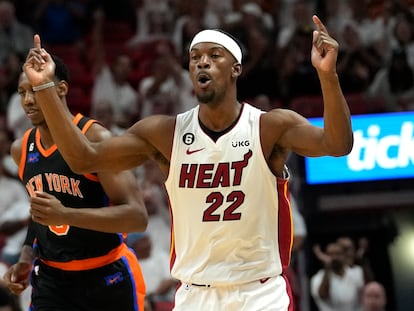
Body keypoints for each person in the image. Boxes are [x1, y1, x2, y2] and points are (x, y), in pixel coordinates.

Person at [22, 14, 353, 310]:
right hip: (196, 294)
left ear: (236, 68)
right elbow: (83, 158)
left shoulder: (270, 127)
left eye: (213, 56)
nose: (202, 63)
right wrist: (46, 87)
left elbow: (337, 145)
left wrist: (328, 76)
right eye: (195, 58)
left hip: (259, 293)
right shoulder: (165, 132)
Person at [1, 57, 149, 311]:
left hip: (106, 275)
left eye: (36, 90)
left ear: (61, 89)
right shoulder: (22, 149)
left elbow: (137, 217)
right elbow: (40, 213)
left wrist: (67, 215)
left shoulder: (96, 138)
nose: (27, 100)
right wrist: (26, 256)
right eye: (22, 92)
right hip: (53, 282)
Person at [311, 242, 364, 311]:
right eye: (330, 254)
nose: (334, 257)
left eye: (338, 254)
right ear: (324, 256)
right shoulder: (317, 278)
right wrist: (328, 268)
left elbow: (364, 296)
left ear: (344, 255)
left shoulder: (356, 272)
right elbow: (323, 295)